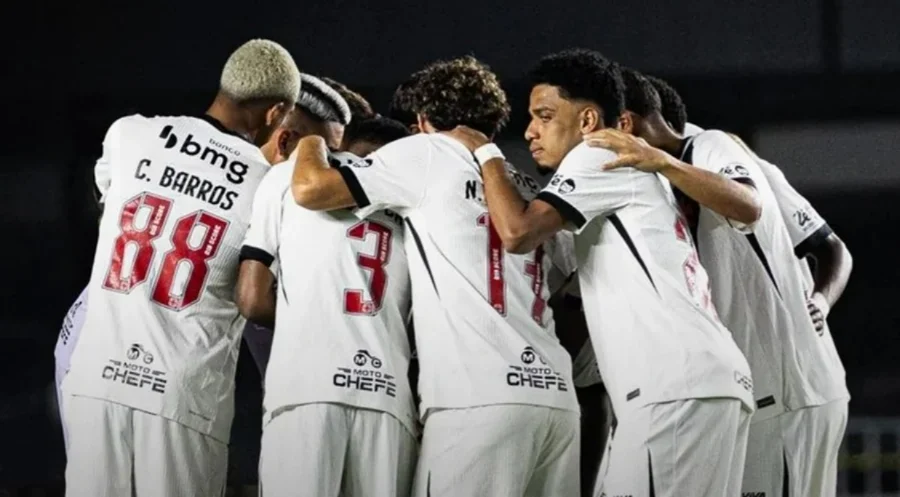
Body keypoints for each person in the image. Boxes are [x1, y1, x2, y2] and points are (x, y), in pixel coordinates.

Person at [450, 48, 755, 497]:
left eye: (544, 116)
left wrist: (486, 153)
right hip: (696, 382)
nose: (530, 131)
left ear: (588, 120)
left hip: (673, 386)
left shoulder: (598, 155)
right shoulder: (618, 177)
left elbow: (517, 232)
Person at [289, 55, 580, 497]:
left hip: (476, 398)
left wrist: (311, 139)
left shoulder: (426, 152)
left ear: (424, 120)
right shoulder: (522, 185)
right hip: (555, 400)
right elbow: (564, 279)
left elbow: (311, 190)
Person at [593, 68, 850, 497]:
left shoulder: (713, 146)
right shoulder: (653, 183)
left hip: (791, 388)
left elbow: (830, 247)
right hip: (752, 389)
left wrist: (820, 302)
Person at [62, 39, 300, 497]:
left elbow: (105, 204)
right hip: (182, 395)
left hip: (97, 379)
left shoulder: (129, 133)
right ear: (275, 113)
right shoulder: (266, 184)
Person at [237, 116, 415, 496]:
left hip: (306, 391)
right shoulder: (411, 201)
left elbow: (251, 299)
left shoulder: (288, 176)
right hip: (388, 400)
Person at [245, 74, 354, 379]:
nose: (331, 166)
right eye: (327, 154)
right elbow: (253, 302)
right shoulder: (278, 197)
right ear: (285, 141)